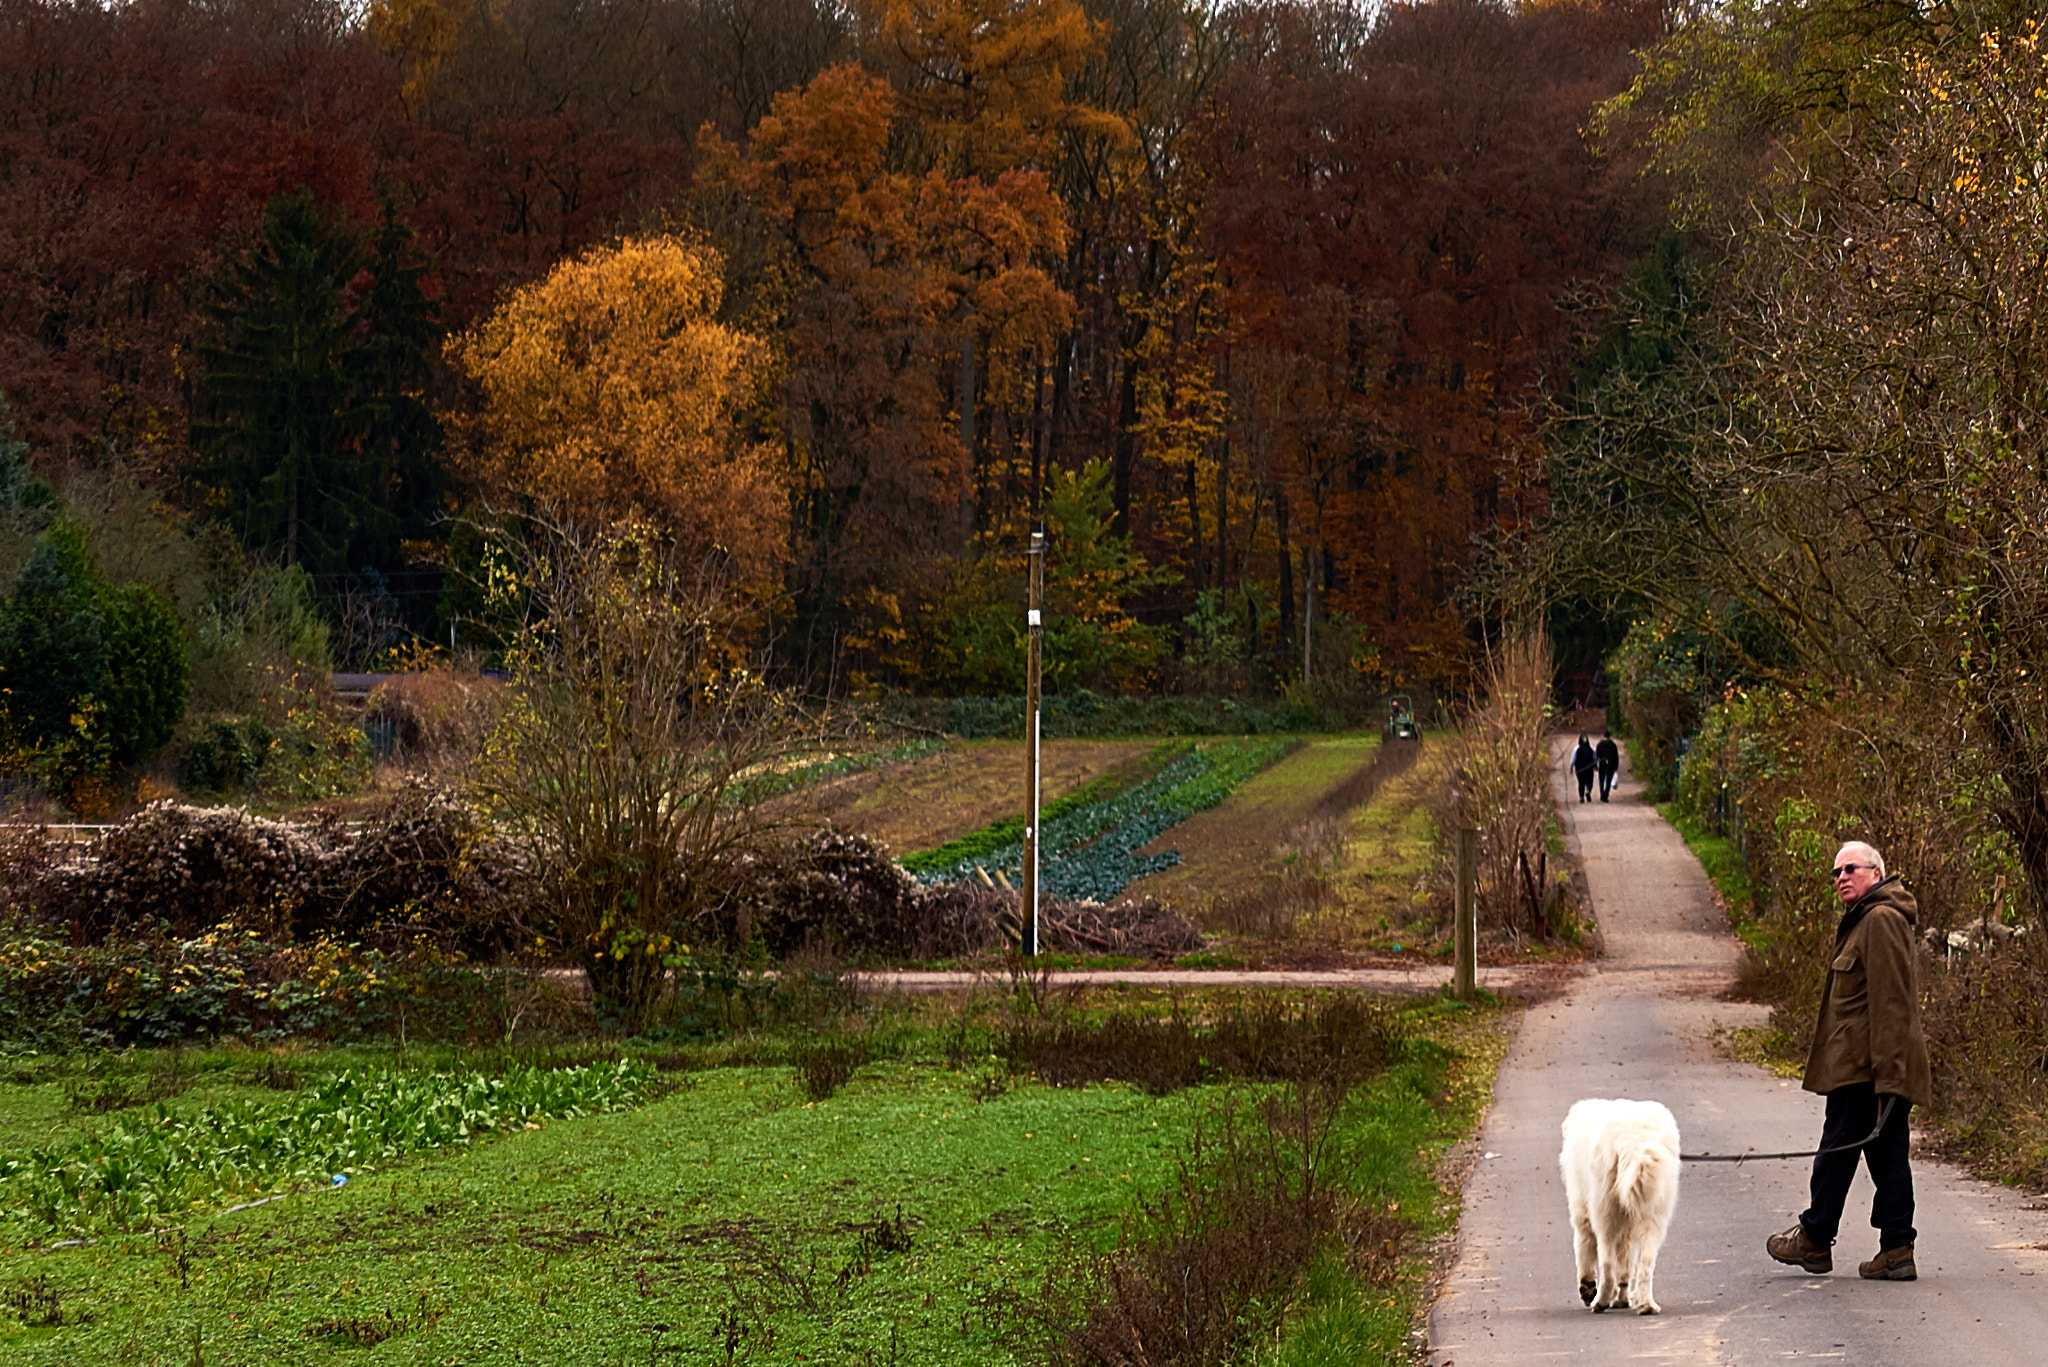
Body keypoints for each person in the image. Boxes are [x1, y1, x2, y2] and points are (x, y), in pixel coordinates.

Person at [1766, 841, 1930, 1281]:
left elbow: (1892, 1004)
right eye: (1835, 872)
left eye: (1850, 869)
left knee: (1836, 1151)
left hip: (1868, 1070)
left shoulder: (1880, 921)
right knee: (1888, 1156)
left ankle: (1816, 1238)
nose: (1840, 877)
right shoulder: (1866, 921)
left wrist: (1890, 1076)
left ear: (1875, 873)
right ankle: (1897, 1249)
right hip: (1870, 1067)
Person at [1570, 733, 1597, 803]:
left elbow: (1573, 759)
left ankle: (1581, 797)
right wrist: (1596, 766)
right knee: (1589, 781)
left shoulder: (1576, 749)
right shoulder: (1591, 748)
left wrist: (1571, 767)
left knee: (1581, 783)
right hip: (1589, 768)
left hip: (1580, 769)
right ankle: (1588, 791)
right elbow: (1595, 758)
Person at [1595, 732, 1620, 802]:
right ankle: (1606, 795)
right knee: (1608, 781)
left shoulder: (1599, 745)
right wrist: (1616, 767)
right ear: (1609, 736)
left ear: (1603, 736)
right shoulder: (1613, 745)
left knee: (1601, 780)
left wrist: (1596, 765)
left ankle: (1602, 794)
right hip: (1611, 765)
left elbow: (1596, 756)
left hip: (1602, 764)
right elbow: (1616, 757)